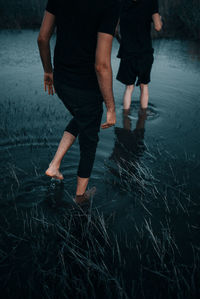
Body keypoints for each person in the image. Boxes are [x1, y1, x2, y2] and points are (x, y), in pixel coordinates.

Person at [37, 0, 119, 203]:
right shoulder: (110, 5)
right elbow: (101, 65)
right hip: (87, 87)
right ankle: (80, 198)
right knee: (90, 143)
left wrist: (48, 71)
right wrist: (111, 107)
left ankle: (54, 166)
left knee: (84, 117)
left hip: (62, 81)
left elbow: (42, 38)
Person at [116, 0, 162, 110]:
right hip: (145, 52)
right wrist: (160, 21)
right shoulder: (151, 2)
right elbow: (158, 27)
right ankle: (143, 118)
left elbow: (114, 30)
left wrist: (121, 42)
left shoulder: (122, 3)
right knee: (144, 86)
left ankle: (125, 118)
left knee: (128, 88)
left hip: (127, 53)